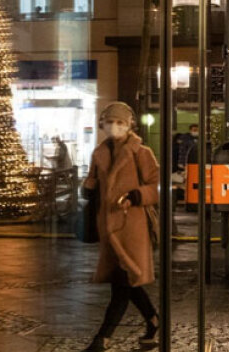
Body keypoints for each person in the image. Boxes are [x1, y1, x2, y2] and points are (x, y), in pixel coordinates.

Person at [82, 102, 160, 351]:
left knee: (122, 286)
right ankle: (153, 320)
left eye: (120, 123)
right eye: (110, 122)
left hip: (131, 228)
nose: (114, 127)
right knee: (128, 282)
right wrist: (88, 187)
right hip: (108, 227)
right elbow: (92, 184)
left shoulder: (141, 153)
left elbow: (156, 186)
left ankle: (102, 339)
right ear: (103, 124)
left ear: (129, 126)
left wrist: (135, 196)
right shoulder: (99, 153)